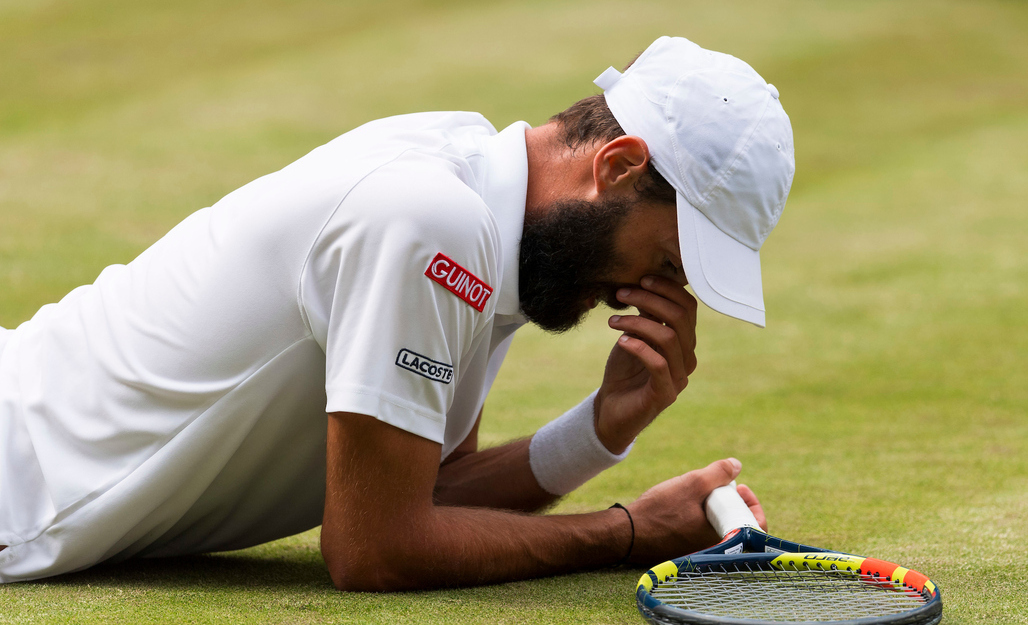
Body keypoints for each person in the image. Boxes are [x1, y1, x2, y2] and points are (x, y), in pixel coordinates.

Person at [0, 36, 794, 589]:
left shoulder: (476, 195)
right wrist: (627, 532)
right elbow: (376, 548)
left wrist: (600, 428)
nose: (638, 296)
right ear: (617, 167)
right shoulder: (431, 222)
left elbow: (425, 496)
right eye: (663, 262)